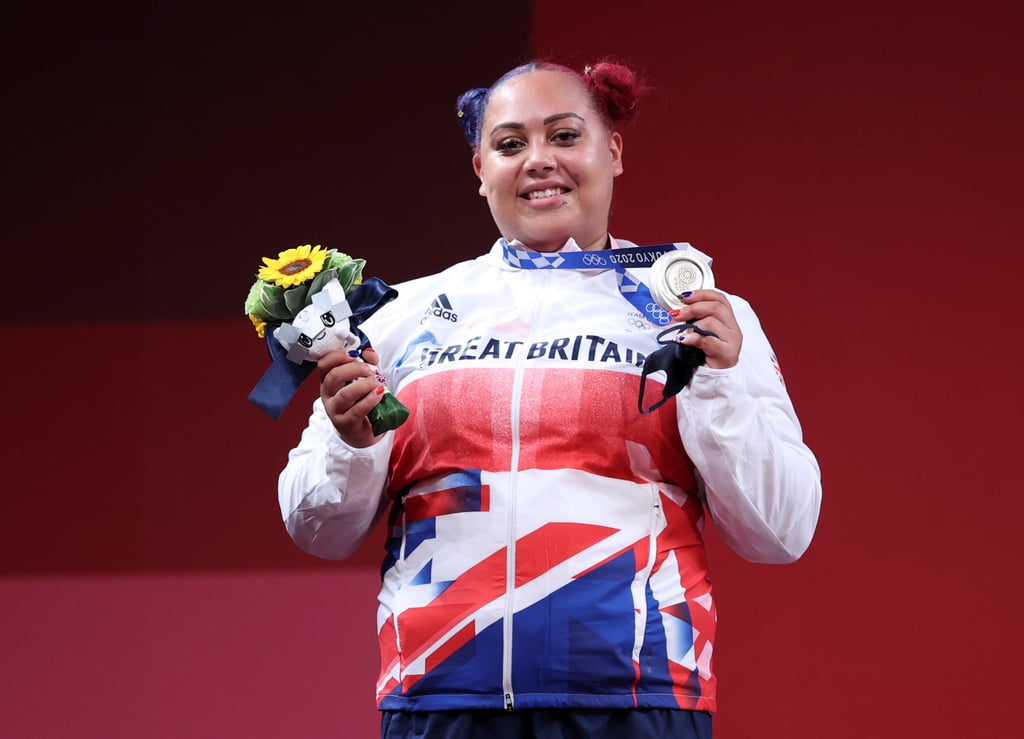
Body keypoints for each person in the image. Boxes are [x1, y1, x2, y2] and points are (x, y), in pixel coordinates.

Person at [278, 60, 822, 739]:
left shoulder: (699, 314)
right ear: (480, 168)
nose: (539, 160)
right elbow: (317, 530)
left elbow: (781, 529)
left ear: (613, 152)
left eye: (565, 136)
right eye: (510, 144)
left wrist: (715, 379)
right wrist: (348, 441)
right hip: (436, 702)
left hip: (640, 699)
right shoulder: (399, 315)